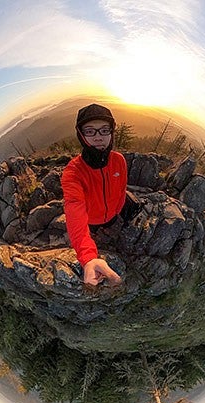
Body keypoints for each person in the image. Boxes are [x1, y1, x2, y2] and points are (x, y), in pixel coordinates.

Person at [61, 103, 127, 286]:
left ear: (112, 132)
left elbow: (122, 189)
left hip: (114, 217)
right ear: (81, 135)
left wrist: (117, 211)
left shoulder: (118, 160)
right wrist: (89, 258)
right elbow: (75, 211)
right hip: (91, 222)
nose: (98, 137)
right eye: (90, 131)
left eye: (104, 130)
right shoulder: (73, 173)